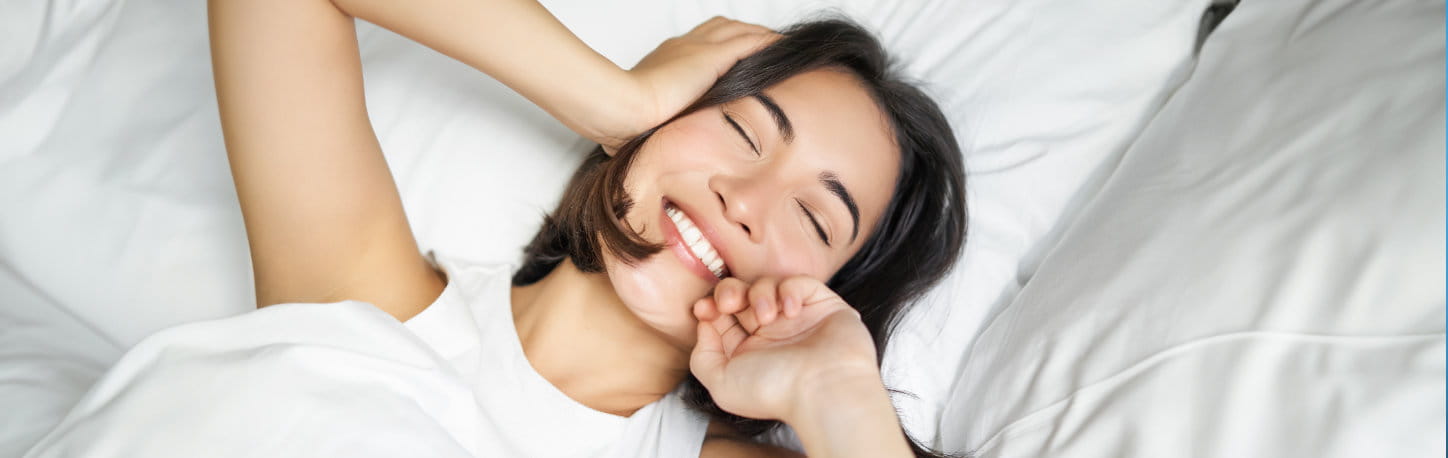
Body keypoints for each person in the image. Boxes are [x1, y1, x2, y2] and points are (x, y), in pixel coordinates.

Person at [28, 0, 964, 457]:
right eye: (741, 130)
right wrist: (614, 93)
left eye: (812, 215)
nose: (744, 199)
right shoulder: (363, 295)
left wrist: (844, 403)